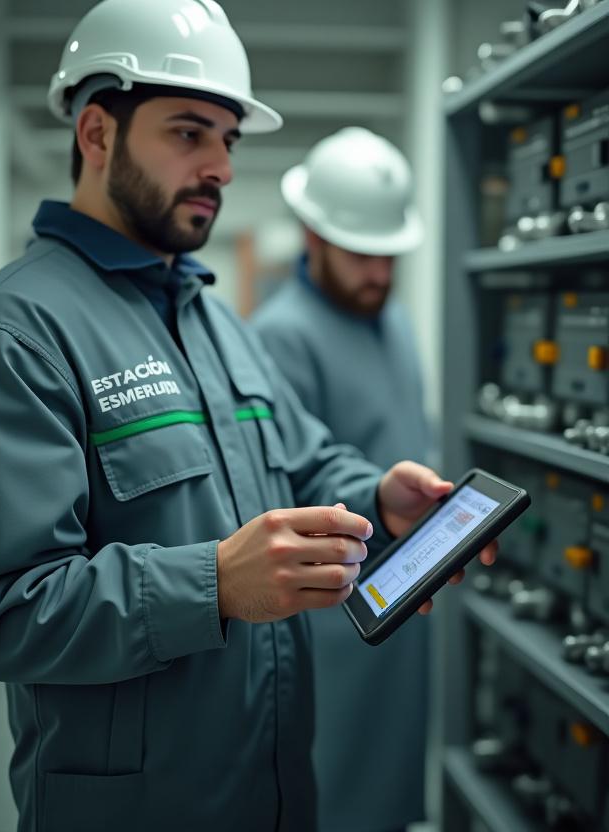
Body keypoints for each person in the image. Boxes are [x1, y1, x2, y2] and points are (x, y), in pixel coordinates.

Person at [0, 4, 495, 832]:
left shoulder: (215, 321)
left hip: (273, 791)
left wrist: (378, 496)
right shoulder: (17, 330)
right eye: (188, 133)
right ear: (97, 133)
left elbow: (306, 460)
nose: (219, 165)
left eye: (228, 139)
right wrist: (212, 585)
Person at [253, 128, 432, 832]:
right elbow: (285, 493)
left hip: (403, 601)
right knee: (334, 795)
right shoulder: (279, 336)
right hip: (333, 622)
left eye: (389, 255)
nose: (379, 274)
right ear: (313, 235)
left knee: (391, 791)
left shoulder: (395, 321)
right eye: (362, 254)